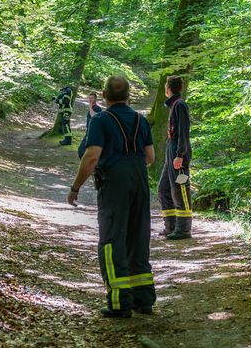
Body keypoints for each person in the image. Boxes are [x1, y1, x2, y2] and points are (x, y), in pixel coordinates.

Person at [67, 76, 156, 318]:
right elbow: (150, 158)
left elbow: (92, 156)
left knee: (111, 240)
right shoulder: (141, 120)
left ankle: (119, 303)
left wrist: (76, 187)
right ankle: (143, 299)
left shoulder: (101, 120)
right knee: (138, 236)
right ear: (129, 96)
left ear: (105, 96)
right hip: (139, 179)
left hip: (114, 182)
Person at [158, 76, 193, 240]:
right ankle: (171, 226)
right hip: (171, 150)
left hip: (179, 152)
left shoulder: (180, 105)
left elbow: (184, 132)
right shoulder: (174, 105)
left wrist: (180, 154)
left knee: (181, 189)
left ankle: (184, 229)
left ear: (168, 88)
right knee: (164, 189)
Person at [77, 92, 102, 159]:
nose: (90, 99)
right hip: (88, 132)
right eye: (89, 98)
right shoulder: (91, 108)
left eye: (92, 98)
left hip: (93, 133)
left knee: (83, 150)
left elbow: (93, 116)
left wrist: (90, 107)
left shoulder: (98, 108)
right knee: (81, 150)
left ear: (95, 99)